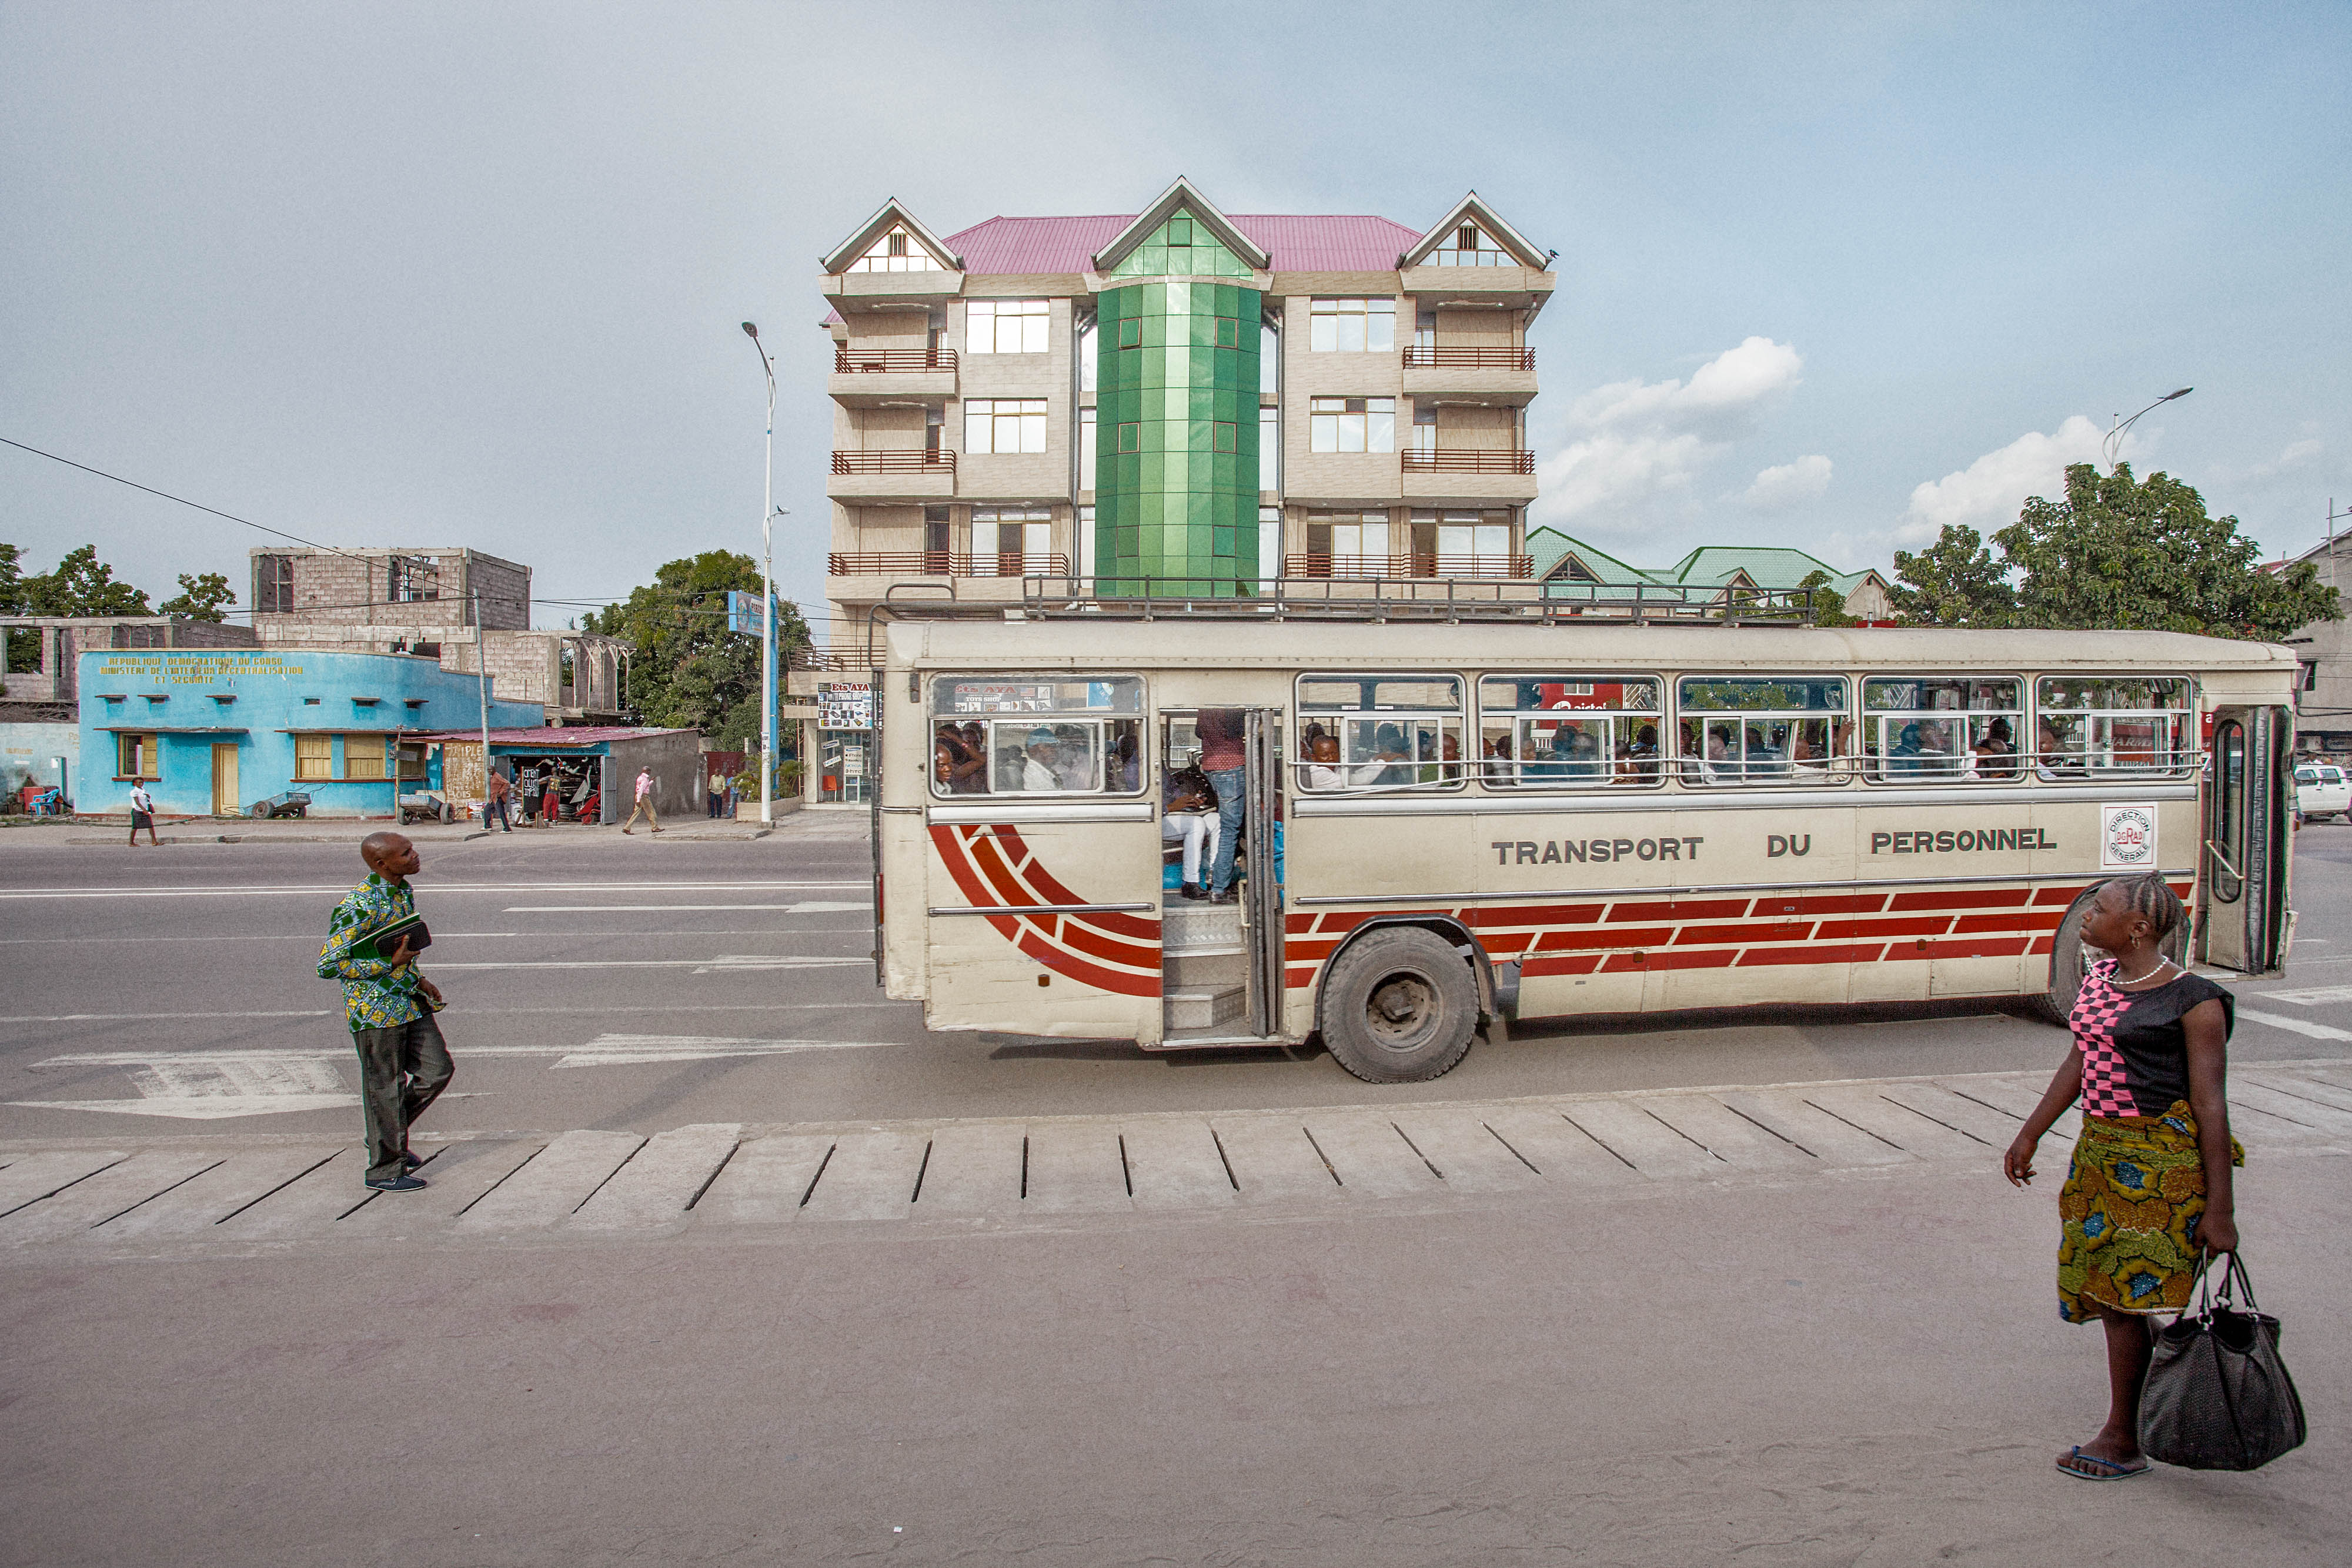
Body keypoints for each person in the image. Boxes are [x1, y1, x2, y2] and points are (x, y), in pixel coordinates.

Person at [2003, 874, 2241, 1481]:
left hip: (2161, 1170)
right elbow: (2081, 1059)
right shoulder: (2100, 982)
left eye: (2099, 908)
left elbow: (2210, 1107)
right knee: (2111, 1294)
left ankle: (2121, 1440)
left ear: (2137, 928)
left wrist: (2221, 1212)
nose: (2085, 915)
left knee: (2120, 1300)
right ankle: (2145, 1390)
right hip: (2100, 1158)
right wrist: (2031, 1131)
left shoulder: (2195, 1001)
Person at [318, 831, 452, 1192]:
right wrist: (387, 964)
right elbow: (329, 964)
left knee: (437, 1071)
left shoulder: (402, 891)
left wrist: (420, 981)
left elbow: (401, 945)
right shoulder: (359, 904)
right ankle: (384, 1169)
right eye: (406, 853)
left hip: (407, 1000)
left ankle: (384, 1135)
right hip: (374, 1010)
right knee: (385, 1088)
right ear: (382, 864)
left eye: (412, 849)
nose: (415, 856)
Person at [1195, 707, 1247, 903]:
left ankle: (1215, 874)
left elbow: (1198, 732)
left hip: (1211, 767)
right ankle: (1219, 888)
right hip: (1231, 767)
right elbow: (1238, 730)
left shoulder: (1205, 708)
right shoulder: (1230, 705)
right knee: (1230, 831)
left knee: (1227, 828)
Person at [1161, 765, 1220, 900]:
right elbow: (1141, 805)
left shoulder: (1158, 765)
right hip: (1158, 819)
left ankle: (1213, 876)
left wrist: (1190, 800)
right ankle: (1190, 883)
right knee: (1196, 824)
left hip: (1174, 813)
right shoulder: (1136, 769)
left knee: (1216, 820)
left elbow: (1173, 792)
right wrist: (1171, 807)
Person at [621, 766, 662, 833]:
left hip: (638, 796)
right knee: (651, 812)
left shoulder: (640, 778)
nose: (650, 773)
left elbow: (644, 787)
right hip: (643, 797)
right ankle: (654, 827)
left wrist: (651, 781)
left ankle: (627, 828)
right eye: (649, 771)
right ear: (647, 771)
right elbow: (642, 789)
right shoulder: (645, 779)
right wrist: (638, 800)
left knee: (636, 813)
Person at [127, 780, 159, 847]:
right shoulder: (134, 792)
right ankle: (131, 842)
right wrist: (144, 810)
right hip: (138, 811)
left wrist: (148, 797)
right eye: (139, 783)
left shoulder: (143, 791)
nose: (141, 784)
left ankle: (154, 841)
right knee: (135, 827)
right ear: (135, 783)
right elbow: (137, 802)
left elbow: (145, 801)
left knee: (150, 826)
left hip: (145, 811)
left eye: (142, 782)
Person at [484, 768, 513, 833]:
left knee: (501, 814)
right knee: (487, 810)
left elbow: (507, 783)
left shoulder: (497, 776)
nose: (489, 771)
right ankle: (487, 826)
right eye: (488, 770)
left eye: (491, 770)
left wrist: (501, 793)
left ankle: (507, 829)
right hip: (493, 799)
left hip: (498, 799)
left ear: (494, 770)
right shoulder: (493, 777)